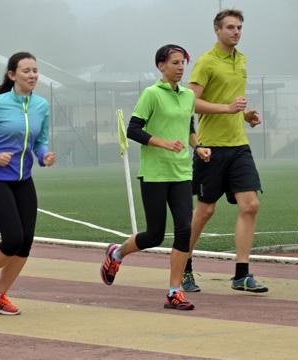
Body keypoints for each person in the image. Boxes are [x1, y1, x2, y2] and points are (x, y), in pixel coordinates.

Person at [100, 44, 202, 311]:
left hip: (181, 172)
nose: (180, 68)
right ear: (161, 66)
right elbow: (134, 129)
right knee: (155, 235)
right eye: (175, 63)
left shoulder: (188, 96)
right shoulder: (151, 94)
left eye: (183, 63)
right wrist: (163, 143)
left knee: (184, 229)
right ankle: (117, 253)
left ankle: (174, 291)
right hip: (155, 174)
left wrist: (198, 147)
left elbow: (188, 126)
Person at [0, 52, 55, 315]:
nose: (32, 75)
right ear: (12, 75)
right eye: (26, 71)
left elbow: (40, 141)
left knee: (25, 242)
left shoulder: (41, 106)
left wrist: (44, 155)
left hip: (23, 180)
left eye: (35, 70)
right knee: (13, 238)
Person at [185, 9, 267, 293]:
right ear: (217, 30)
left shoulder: (241, 60)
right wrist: (227, 109)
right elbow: (189, 102)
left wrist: (245, 115)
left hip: (239, 146)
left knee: (251, 205)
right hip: (211, 148)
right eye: (230, 27)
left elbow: (232, 102)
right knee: (206, 210)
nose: (236, 32)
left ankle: (241, 274)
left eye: (239, 28)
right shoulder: (206, 63)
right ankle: (183, 265)